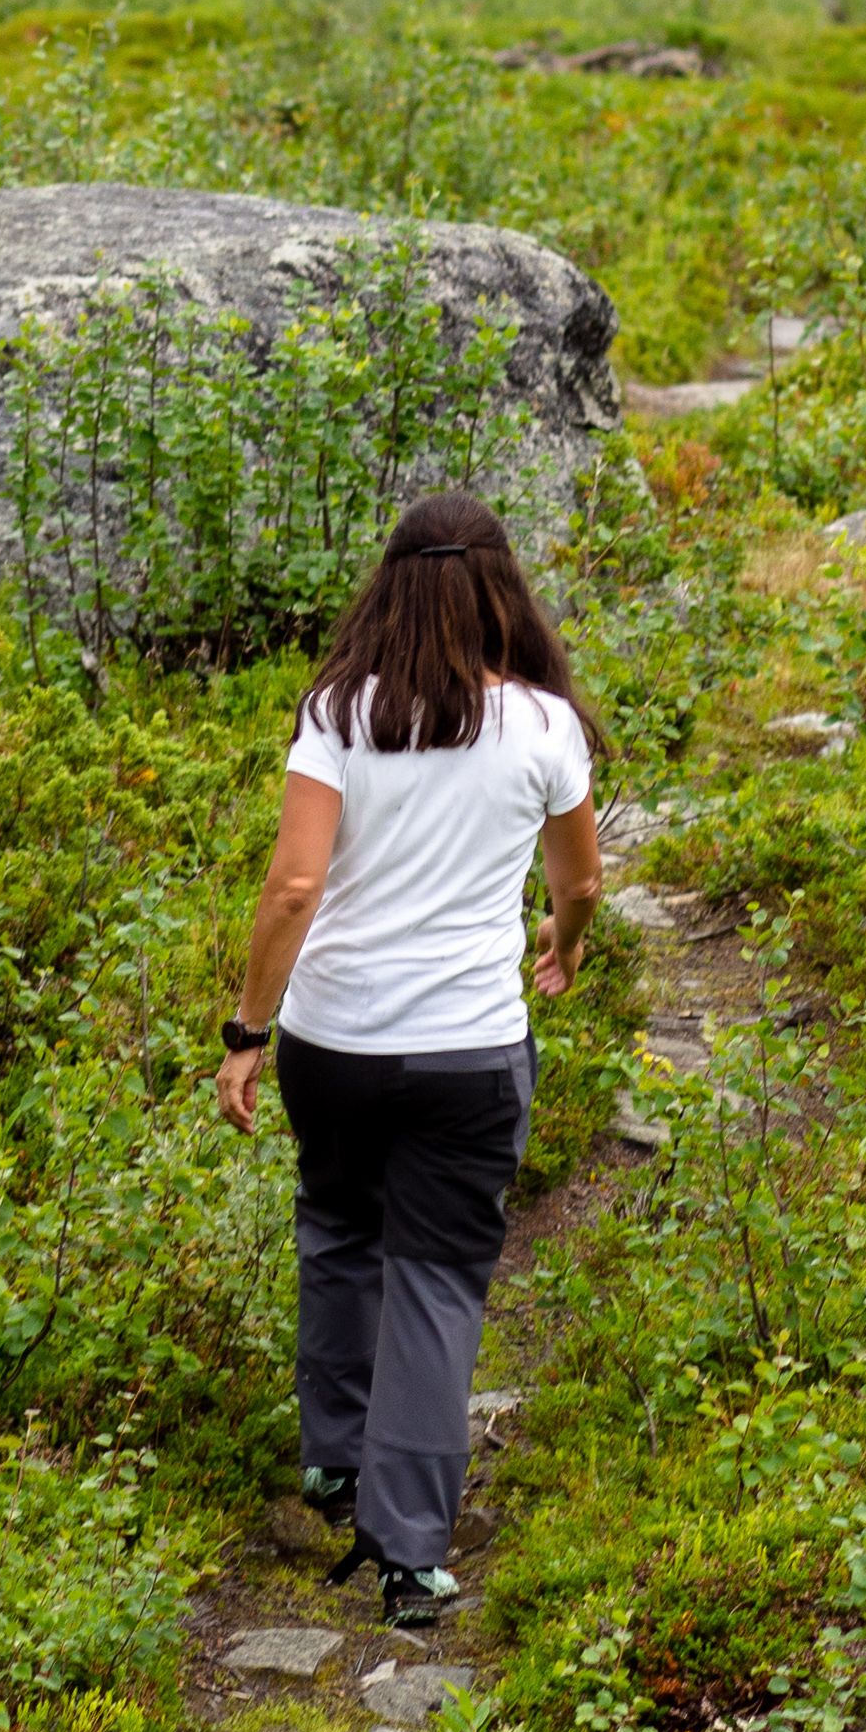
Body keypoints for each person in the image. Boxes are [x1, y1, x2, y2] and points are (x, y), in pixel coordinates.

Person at [214, 491, 604, 1629]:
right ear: (499, 594)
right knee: (436, 1276)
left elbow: (294, 886)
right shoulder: (543, 726)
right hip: (470, 1049)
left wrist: (248, 1029)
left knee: (337, 1225)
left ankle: (334, 1459)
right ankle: (410, 1552)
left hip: (332, 1039)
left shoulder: (337, 711)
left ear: (390, 587)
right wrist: (563, 947)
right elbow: (578, 882)